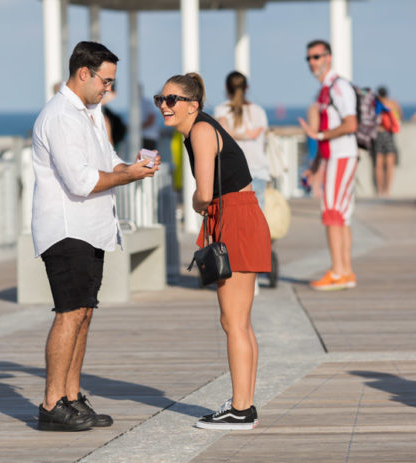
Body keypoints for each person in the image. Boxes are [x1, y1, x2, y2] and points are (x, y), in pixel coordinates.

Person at [31, 41, 160, 432]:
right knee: (69, 314)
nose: (108, 89)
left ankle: (71, 396)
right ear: (83, 73)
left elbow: (107, 165)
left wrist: (133, 166)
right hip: (67, 227)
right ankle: (52, 402)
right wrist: (128, 176)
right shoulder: (60, 117)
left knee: (84, 313)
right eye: (106, 81)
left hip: (91, 228)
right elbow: (81, 181)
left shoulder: (88, 114)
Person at [155, 72, 271, 430]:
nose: (164, 106)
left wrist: (193, 202)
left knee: (233, 321)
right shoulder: (199, 130)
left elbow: (204, 193)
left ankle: (240, 408)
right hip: (238, 215)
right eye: (161, 99)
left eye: (172, 100)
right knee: (238, 321)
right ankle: (244, 404)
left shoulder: (202, 132)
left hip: (235, 216)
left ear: (193, 105)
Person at [297, 39, 358, 291]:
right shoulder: (326, 89)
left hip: (342, 156)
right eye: (309, 58)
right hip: (335, 156)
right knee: (340, 216)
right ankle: (345, 271)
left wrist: (319, 136)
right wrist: (315, 165)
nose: (313, 62)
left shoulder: (338, 87)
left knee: (332, 214)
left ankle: (338, 272)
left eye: (317, 57)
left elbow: (350, 124)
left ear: (328, 58)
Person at [213, 71, 270, 209]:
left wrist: (239, 135)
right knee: (256, 220)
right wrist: (248, 135)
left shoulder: (222, 110)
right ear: (247, 88)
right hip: (258, 170)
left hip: (232, 173)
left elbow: (222, 133)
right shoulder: (258, 111)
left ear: (226, 87)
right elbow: (263, 142)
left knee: (234, 221)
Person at [374, 86, 402, 197]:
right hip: (389, 135)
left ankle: (380, 190)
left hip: (378, 134)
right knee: (390, 165)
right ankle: (387, 190)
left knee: (378, 165)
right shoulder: (393, 103)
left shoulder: (375, 104)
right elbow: (400, 116)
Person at [141, 85, 160, 150]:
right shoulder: (136, 103)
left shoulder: (147, 102)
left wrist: (136, 128)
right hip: (142, 138)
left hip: (148, 138)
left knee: (148, 159)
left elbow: (151, 120)